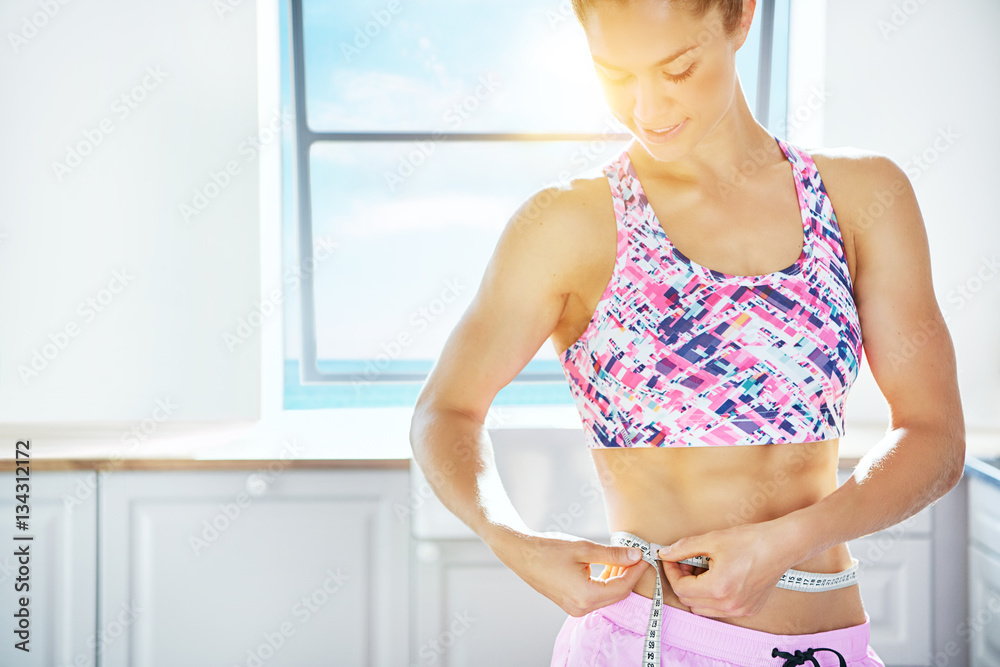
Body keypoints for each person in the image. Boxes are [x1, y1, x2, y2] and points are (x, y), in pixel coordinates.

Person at [409, 0, 966, 665]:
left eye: (678, 68)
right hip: (651, 641)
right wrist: (510, 539)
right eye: (614, 72)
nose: (647, 108)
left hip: (833, 644)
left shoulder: (862, 198)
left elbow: (934, 436)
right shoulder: (569, 224)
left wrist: (788, 540)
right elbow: (445, 410)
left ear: (740, 20)